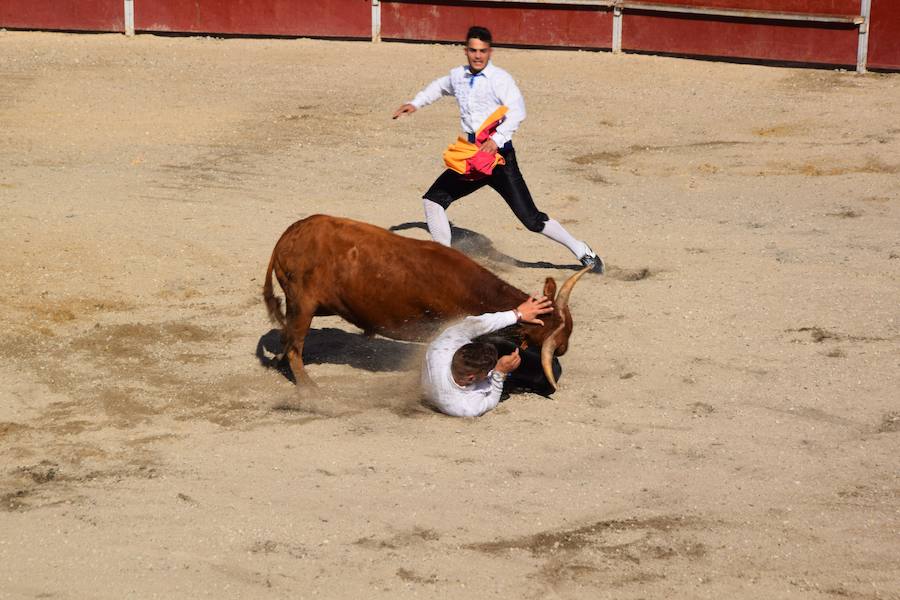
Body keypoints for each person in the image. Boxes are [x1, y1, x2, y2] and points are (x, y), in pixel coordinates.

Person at [393, 25, 604, 273]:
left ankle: (582, 251)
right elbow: (439, 87)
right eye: (473, 50)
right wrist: (415, 103)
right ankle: (445, 261)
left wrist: (497, 139)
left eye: (482, 51)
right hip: (473, 157)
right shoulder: (458, 76)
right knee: (433, 201)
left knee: (531, 219)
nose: (477, 56)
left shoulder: (500, 79)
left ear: (490, 52)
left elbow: (517, 111)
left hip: (500, 159)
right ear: (466, 51)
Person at [422, 295, 555, 417]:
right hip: (504, 378)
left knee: (494, 340)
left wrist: (517, 314)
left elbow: (473, 325)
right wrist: (499, 373)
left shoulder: (440, 349)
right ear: (471, 377)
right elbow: (491, 400)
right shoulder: (465, 407)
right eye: (487, 371)